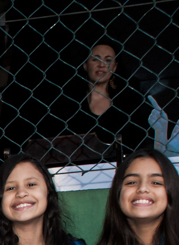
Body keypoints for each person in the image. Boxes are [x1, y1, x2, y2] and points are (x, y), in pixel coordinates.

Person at [21, 41, 151, 165]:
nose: (102, 64)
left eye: (108, 60)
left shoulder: (127, 103)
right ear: (85, 65)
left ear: (115, 67)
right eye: (96, 59)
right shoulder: (67, 103)